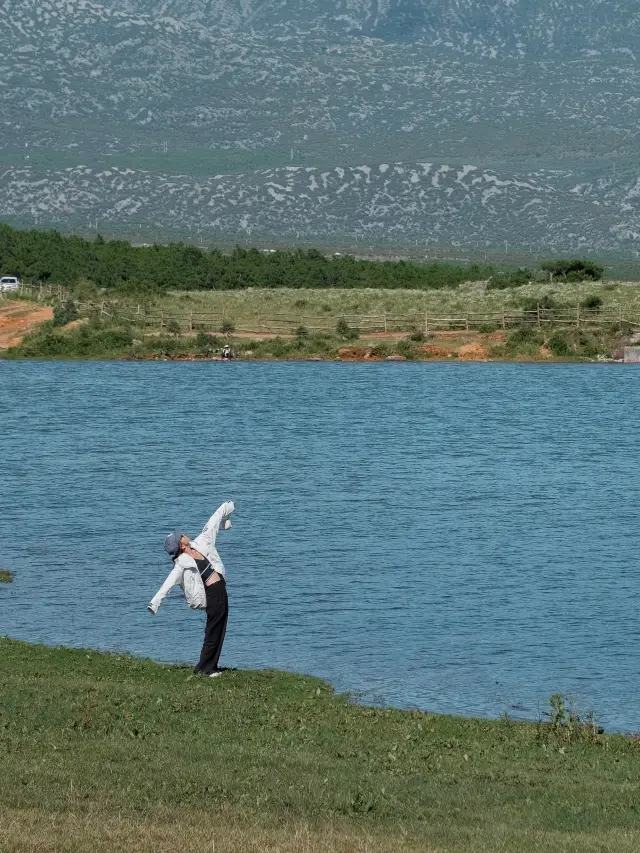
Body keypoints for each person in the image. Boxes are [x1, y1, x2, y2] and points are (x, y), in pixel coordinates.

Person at [148, 501, 235, 677]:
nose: (185, 535)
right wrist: (155, 603)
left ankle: (211, 665)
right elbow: (167, 584)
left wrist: (226, 511)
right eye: (181, 536)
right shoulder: (181, 565)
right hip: (211, 595)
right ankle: (205, 668)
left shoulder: (201, 542)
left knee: (220, 627)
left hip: (220, 589)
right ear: (180, 544)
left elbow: (214, 520)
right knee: (213, 629)